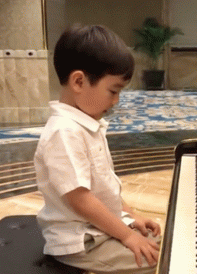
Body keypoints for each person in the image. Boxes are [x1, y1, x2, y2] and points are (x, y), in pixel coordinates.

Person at [34, 23, 161, 274]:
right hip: (80, 242)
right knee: (154, 261)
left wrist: (130, 215)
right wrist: (127, 235)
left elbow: (103, 185)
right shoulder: (64, 132)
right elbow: (81, 201)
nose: (116, 101)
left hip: (95, 229)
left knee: (155, 241)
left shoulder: (86, 124)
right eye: (113, 91)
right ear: (79, 81)